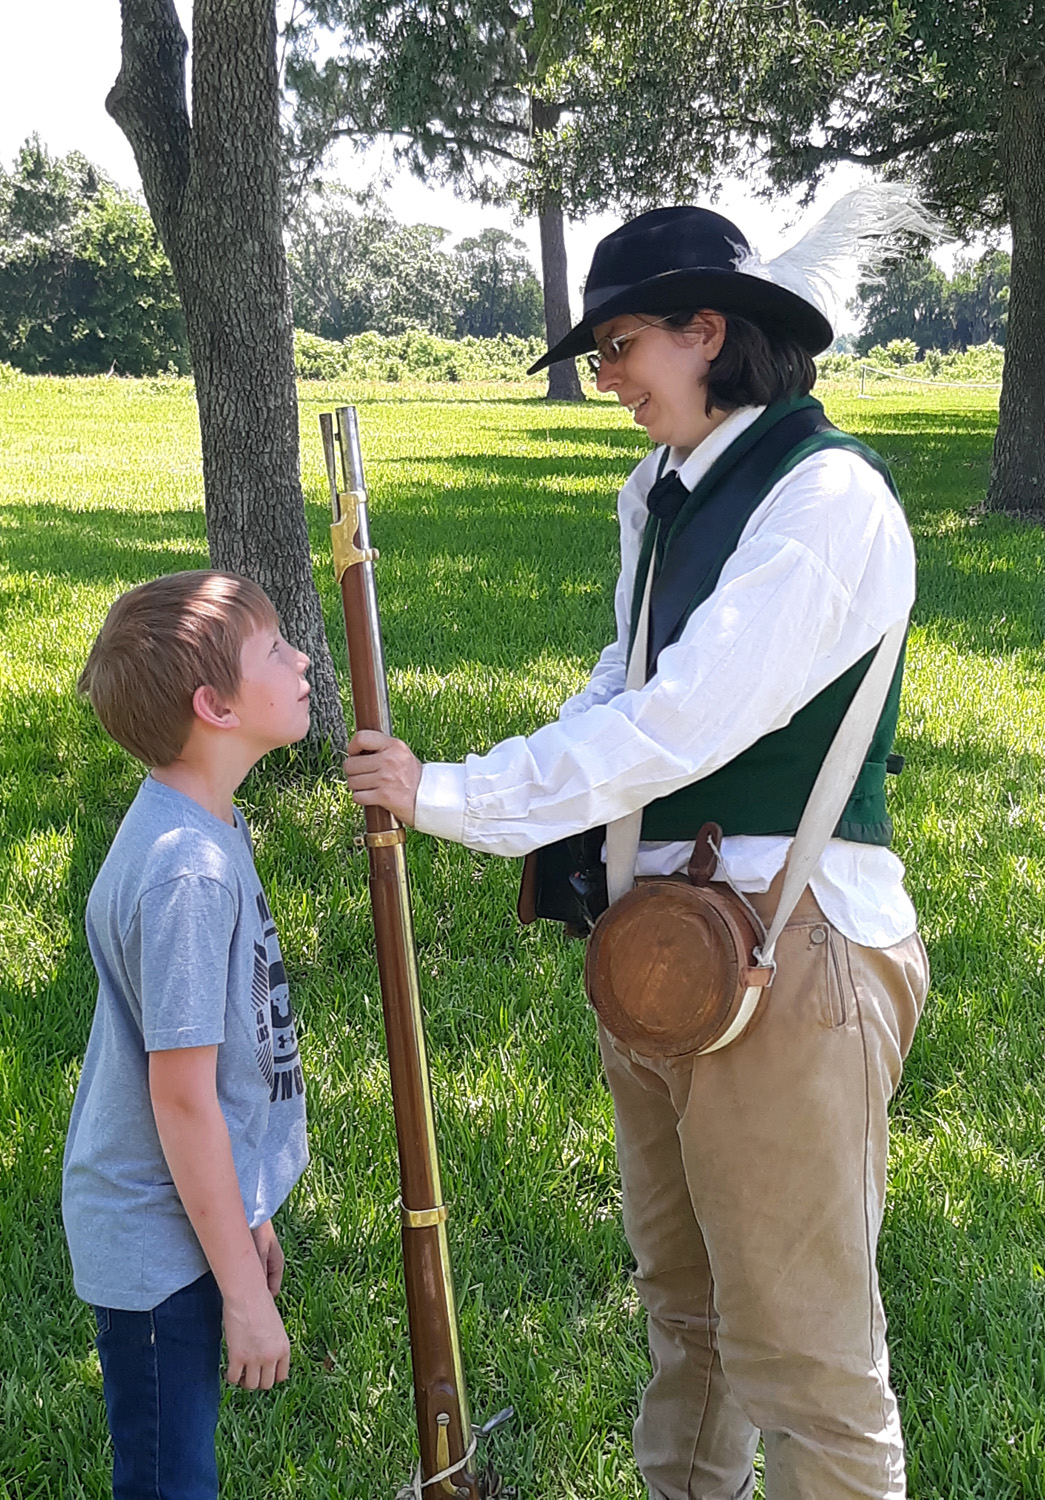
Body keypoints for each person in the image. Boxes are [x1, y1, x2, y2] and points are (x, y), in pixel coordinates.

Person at [343, 197, 931, 1499]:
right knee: (687, 1316)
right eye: (600, 358)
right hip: (660, 954)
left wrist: (455, 796)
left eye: (618, 350)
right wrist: (467, 786)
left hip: (794, 943)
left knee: (808, 1360)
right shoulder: (659, 495)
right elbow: (618, 694)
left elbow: (687, 719)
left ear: (707, 331)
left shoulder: (825, 497)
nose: (606, 381)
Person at [63, 570, 312, 1500]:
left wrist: (251, 1216)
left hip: (187, 1224)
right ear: (214, 705)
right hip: (155, 1244)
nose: (301, 663)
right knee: (170, 1480)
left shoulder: (203, 823)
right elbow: (181, 1099)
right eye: (277, 651)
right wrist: (244, 1301)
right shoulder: (188, 873)